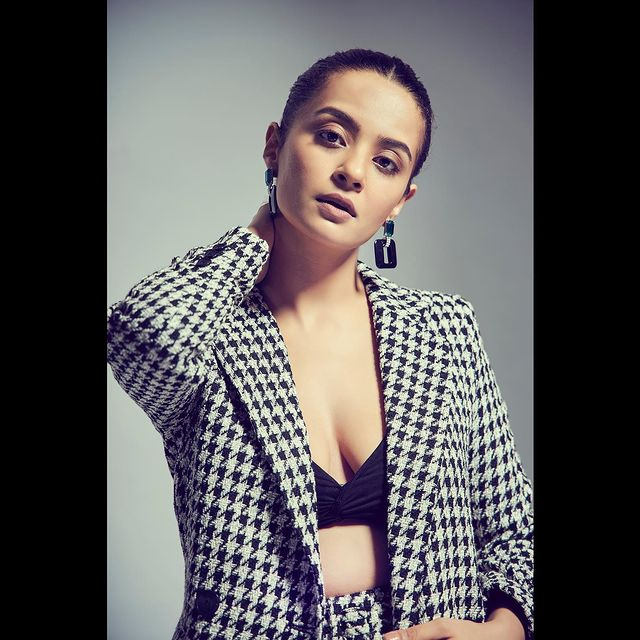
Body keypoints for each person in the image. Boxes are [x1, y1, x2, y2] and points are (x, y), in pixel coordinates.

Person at [107, 48, 533, 640]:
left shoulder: (444, 331)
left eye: (386, 162)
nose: (354, 171)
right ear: (275, 145)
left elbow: (513, 532)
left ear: (401, 199)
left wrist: (506, 628)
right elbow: (139, 335)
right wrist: (256, 236)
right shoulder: (209, 334)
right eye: (332, 136)